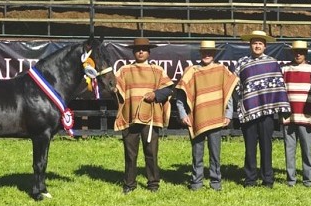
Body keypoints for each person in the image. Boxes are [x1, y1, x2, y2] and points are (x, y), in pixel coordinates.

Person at [175, 41, 239, 191]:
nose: (207, 55)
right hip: (196, 117)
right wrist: (183, 114)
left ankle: (215, 182)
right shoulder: (191, 71)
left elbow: (228, 94)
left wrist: (228, 114)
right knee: (197, 152)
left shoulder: (221, 70)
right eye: (204, 52)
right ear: (200, 53)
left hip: (216, 117)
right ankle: (196, 182)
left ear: (214, 54)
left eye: (210, 52)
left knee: (215, 153)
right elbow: (181, 96)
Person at [113, 37, 174, 194]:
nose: (141, 51)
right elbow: (114, 87)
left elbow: (168, 89)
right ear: (133, 52)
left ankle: (153, 184)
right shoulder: (124, 70)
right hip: (130, 117)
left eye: (144, 49)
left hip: (151, 118)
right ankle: (129, 184)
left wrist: (156, 94)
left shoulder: (157, 70)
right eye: (138, 49)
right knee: (130, 153)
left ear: (148, 52)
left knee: (151, 152)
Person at [235, 30, 291, 188]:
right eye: (254, 43)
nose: (257, 46)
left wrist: (281, 110)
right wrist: (241, 101)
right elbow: (235, 86)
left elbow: (279, 87)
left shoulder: (272, 63)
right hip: (249, 112)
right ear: (250, 45)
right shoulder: (242, 63)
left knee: (267, 146)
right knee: (250, 148)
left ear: (265, 46)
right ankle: (250, 179)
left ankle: (268, 179)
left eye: (260, 43)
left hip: (267, 113)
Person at [281, 40, 311, 187]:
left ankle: (308, 180)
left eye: (301, 52)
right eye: (296, 51)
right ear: (292, 52)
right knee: (289, 149)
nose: (298, 54)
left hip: (306, 115)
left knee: (307, 150)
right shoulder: (284, 70)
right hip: (289, 115)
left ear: (306, 53)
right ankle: (291, 180)